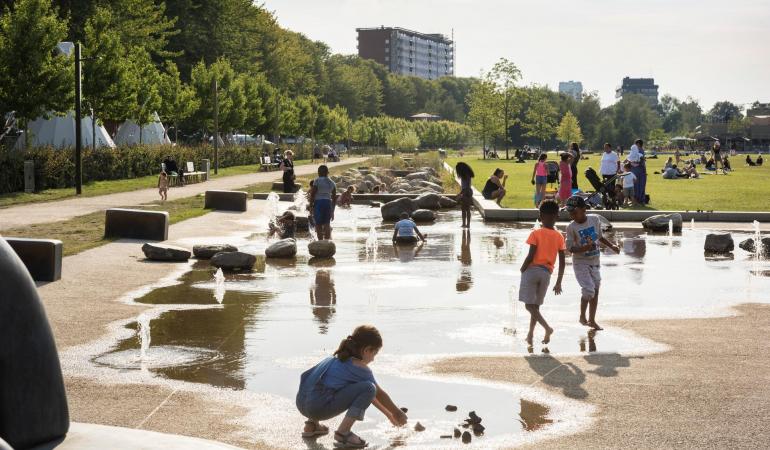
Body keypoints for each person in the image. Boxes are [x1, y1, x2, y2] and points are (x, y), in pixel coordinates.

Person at [295, 325, 408, 448]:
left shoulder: (335, 358)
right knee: (369, 387)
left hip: (302, 404)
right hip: (318, 408)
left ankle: (311, 425)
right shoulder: (360, 368)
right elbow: (377, 393)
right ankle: (343, 433)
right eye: (374, 353)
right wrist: (397, 413)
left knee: (325, 387)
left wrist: (389, 415)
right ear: (367, 350)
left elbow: (369, 395)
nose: (374, 359)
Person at [565, 196, 620, 331]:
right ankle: (582, 316)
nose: (572, 215)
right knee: (589, 290)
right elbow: (571, 248)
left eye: (574, 212)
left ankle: (592, 320)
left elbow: (599, 237)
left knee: (595, 291)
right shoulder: (571, 227)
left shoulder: (594, 220)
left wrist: (612, 246)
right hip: (580, 263)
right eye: (570, 213)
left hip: (595, 262)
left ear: (584, 209)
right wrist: (584, 248)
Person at [519, 200, 565, 347]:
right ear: (557, 217)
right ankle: (530, 335)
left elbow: (531, 255)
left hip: (532, 271)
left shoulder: (535, 233)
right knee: (536, 307)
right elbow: (562, 261)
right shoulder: (559, 236)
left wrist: (522, 268)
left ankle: (547, 328)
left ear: (540, 216)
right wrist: (559, 282)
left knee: (528, 306)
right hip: (546, 274)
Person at [309, 165, 337, 240]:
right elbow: (334, 198)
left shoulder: (317, 181)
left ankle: (320, 241)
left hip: (319, 203)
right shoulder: (332, 183)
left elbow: (312, 194)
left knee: (318, 224)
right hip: (328, 203)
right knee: (327, 224)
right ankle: (327, 242)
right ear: (327, 172)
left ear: (318, 172)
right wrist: (332, 211)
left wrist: (311, 206)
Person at [627, 139, 647, 205]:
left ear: (638, 144)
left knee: (637, 185)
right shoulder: (638, 150)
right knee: (639, 185)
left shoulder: (639, 150)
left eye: (635, 144)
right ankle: (638, 200)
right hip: (638, 170)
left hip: (639, 170)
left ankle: (637, 200)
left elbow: (641, 160)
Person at [455, 162, 475, 229]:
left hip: (467, 192)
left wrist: (461, 193)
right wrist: (460, 193)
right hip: (465, 191)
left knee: (467, 209)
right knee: (463, 209)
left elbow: (467, 186)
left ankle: (468, 224)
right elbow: (464, 186)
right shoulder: (464, 175)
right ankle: (464, 223)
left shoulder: (466, 175)